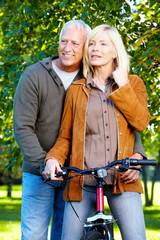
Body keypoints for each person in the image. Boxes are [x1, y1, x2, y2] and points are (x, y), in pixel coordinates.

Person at [43, 24, 150, 240]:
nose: (94, 48)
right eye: (91, 43)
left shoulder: (133, 83)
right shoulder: (77, 89)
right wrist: (52, 158)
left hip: (123, 179)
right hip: (83, 182)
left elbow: (140, 122)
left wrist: (122, 86)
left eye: (102, 44)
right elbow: (65, 136)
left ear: (115, 51)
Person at [13, 20, 91, 240]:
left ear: (85, 47)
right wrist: (44, 163)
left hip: (76, 174)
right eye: (63, 41)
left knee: (66, 235)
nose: (67, 48)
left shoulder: (90, 78)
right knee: (33, 236)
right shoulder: (34, 75)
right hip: (38, 173)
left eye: (75, 44)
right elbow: (22, 127)